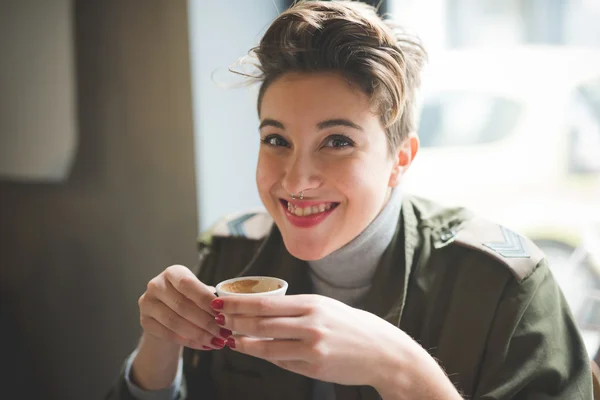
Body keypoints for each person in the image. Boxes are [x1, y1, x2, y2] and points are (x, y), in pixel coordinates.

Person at [106, 1, 593, 399]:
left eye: (337, 142)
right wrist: (159, 343)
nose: (297, 180)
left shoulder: (505, 289)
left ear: (401, 158)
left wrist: (401, 370)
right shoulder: (230, 258)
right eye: (276, 140)